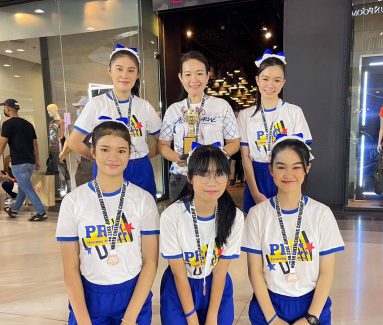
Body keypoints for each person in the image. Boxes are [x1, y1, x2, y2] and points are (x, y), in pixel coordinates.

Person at [56, 121, 159, 325]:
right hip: (91, 299)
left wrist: (129, 321)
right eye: (105, 149)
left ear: (130, 154)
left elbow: (150, 263)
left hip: (131, 296)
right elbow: (70, 269)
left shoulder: (143, 200)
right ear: (92, 152)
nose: (113, 157)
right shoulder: (74, 202)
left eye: (121, 150)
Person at [241, 136, 344, 325]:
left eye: (296, 167)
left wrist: (311, 318)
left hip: (310, 304)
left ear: (307, 168)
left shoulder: (321, 214)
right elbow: (255, 273)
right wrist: (273, 320)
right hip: (272, 303)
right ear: (271, 170)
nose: (288, 174)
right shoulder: (258, 215)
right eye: (281, 167)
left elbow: (326, 274)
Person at [159, 145, 244, 325]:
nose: (212, 182)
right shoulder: (172, 216)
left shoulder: (234, 216)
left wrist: (212, 321)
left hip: (215, 288)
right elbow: (178, 275)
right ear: (190, 178)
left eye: (219, 174)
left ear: (228, 176)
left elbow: (221, 273)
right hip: (181, 289)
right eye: (204, 174)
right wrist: (193, 323)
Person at [68, 43, 161, 199]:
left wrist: (142, 156)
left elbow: (162, 142)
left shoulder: (144, 106)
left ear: (138, 75)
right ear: (110, 71)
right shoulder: (96, 104)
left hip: (139, 170)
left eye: (131, 70)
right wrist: (100, 157)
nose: (125, 75)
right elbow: (73, 142)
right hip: (107, 169)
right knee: (109, 211)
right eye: (119, 69)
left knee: (143, 210)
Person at [158, 50, 240, 201]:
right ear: (181, 77)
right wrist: (176, 157)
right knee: (181, 216)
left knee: (212, 216)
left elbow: (234, 143)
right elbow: (163, 145)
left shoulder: (221, 106)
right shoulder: (173, 110)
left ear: (207, 76)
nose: (194, 79)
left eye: (199, 73)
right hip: (181, 176)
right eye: (188, 74)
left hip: (213, 176)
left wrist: (216, 157)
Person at [238, 49, 312, 214]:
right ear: (257, 80)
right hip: (256, 178)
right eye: (265, 79)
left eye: (277, 80)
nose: (270, 85)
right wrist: (255, 193)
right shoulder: (245, 115)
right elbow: (245, 156)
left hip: (286, 175)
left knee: (285, 223)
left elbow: (303, 154)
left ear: (283, 82)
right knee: (255, 226)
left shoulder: (294, 112)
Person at [0, 98, 47, 221]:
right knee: (22, 188)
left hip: (18, 163)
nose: (4, 110)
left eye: (4, 108)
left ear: (8, 108)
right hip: (30, 162)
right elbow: (35, 144)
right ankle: (14, 209)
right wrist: (37, 160)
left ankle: (41, 212)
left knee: (27, 188)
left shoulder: (7, 124)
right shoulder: (28, 124)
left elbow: (2, 144)